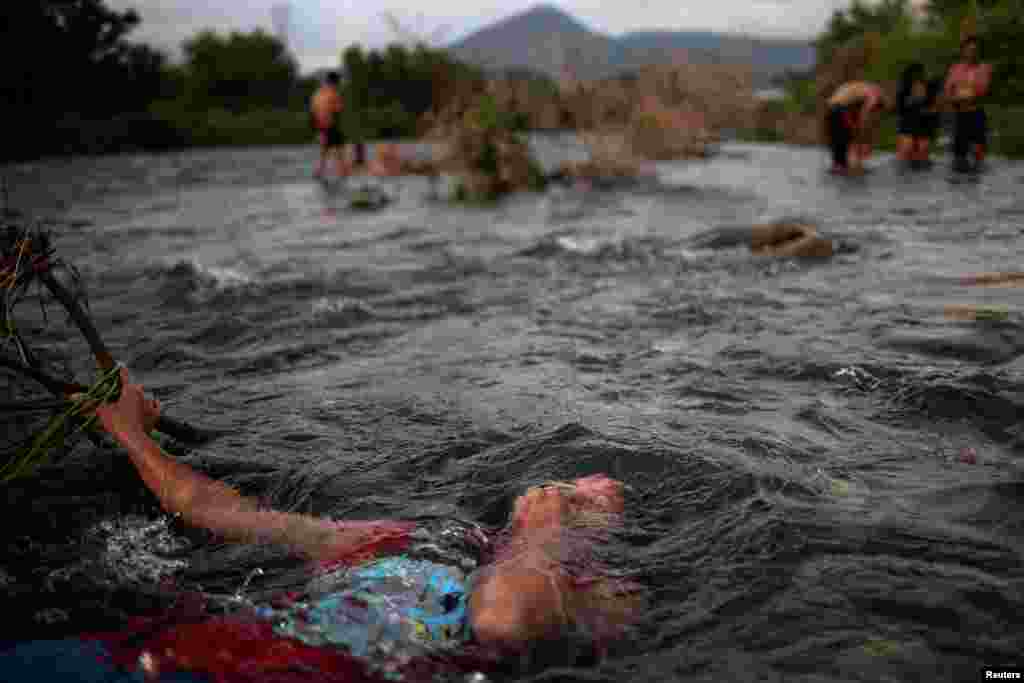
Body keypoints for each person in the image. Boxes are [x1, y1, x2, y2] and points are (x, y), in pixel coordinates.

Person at [0, 369, 641, 681]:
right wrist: (130, 431)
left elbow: (507, 619)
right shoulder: (413, 539)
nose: (559, 499)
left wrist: (542, 535)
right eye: (568, 496)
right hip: (165, 656)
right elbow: (217, 512)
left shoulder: (560, 599)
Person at [944, 36, 993, 173]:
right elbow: (948, 91)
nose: (971, 53)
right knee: (959, 159)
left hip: (976, 114)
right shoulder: (955, 69)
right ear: (963, 51)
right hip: (959, 115)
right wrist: (964, 93)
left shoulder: (984, 68)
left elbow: (981, 91)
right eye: (969, 50)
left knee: (979, 154)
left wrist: (961, 92)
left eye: (974, 50)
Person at [825, 80, 891, 176]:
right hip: (839, 110)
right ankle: (853, 169)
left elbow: (855, 113)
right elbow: (864, 115)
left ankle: (841, 168)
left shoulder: (862, 88)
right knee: (850, 142)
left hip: (831, 110)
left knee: (839, 152)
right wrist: (863, 138)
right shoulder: (874, 95)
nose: (876, 112)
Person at [896, 64, 942, 168]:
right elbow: (900, 110)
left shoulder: (931, 89)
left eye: (920, 76)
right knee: (907, 149)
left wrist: (928, 112)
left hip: (925, 125)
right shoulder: (904, 91)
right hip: (908, 125)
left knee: (922, 151)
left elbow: (935, 110)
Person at [311, 72, 347, 179]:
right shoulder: (334, 93)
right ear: (335, 82)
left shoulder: (317, 94)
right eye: (339, 82)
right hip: (330, 124)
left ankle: (319, 172)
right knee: (339, 149)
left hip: (319, 126)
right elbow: (338, 111)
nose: (340, 84)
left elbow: (312, 112)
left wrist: (317, 131)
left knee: (324, 151)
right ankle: (342, 172)